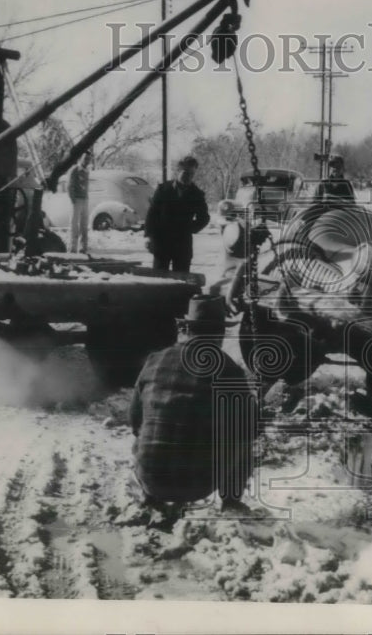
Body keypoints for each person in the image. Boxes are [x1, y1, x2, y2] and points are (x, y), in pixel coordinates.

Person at [129, 294, 256, 513]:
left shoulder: (155, 359)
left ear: (187, 329)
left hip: (150, 479)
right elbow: (250, 428)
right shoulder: (227, 369)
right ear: (220, 332)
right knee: (241, 434)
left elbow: (134, 420)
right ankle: (231, 502)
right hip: (197, 485)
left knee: (146, 430)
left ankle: (149, 497)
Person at [145, 156, 210, 272]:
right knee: (158, 280)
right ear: (178, 171)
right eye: (185, 173)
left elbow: (204, 218)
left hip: (182, 245)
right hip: (162, 242)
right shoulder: (163, 189)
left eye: (191, 174)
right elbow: (152, 214)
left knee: (182, 282)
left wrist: (189, 228)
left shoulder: (197, 194)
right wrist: (149, 237)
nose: (188, 177)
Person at [68, 152, 92, 253]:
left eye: (89, 159)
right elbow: (70, 186)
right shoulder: (75, 170)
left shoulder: (87, 171)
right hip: (77, 200)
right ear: (81, 158)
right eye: (85, 158)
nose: (87, 161)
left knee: (84, 224)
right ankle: (73, 248)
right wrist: (73, 199)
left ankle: (83, 248)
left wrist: (86, 198)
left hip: (85, 200)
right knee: (74, 225)